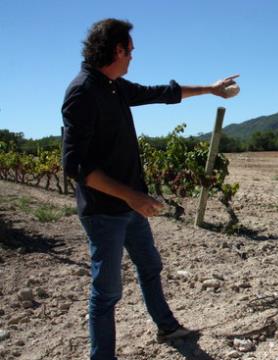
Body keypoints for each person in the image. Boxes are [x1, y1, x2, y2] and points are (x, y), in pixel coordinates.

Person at [61, 18, 238, 360]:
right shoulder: (83, 91)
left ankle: (167, 327)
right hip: (104, 212)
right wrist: (131, 195)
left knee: (150, 267)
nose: (132, 57)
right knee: (107, 291)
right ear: (117, 50)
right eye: (130, 51)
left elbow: (163, 93)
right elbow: (76, 166)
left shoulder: (114, 86)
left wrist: (210, 89)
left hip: (130, 208)